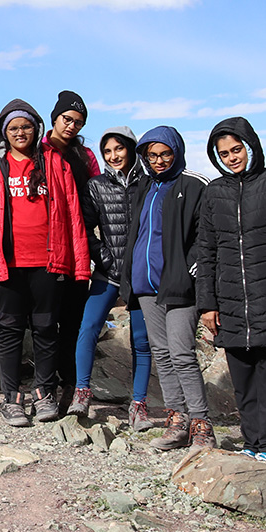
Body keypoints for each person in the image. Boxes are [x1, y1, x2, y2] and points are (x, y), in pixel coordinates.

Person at [0, 100, 90, 426]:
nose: (21, 132)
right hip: (6, 263)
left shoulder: (54, 163)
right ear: (4, 132)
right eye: (14, 128)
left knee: (47, 328)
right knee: (9, 329)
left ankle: (44, 393)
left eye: (26, 126)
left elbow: (73, 214)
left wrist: (79, 263)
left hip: (48, 261)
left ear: (36, 129)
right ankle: (11, 398)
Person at [196, 117, 266, 463]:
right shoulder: (214, 192)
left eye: (236, 149)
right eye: (224, 153)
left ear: (250, 146)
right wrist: (207, 304)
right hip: (230, 302)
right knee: (242, 379)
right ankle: (251, 442)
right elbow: (206, 251)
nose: (231, 157)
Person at [121, 126, 211, 451]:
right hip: (146, 285)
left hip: (179, 285)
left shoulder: (193, 184)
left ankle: (202, 425)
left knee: (182, 354)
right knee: (161, 354)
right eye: (152, 155)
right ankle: (177, 422)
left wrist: (193, 269)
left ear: (177, 152)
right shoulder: (145, 186)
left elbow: (206, 232)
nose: (158, 161)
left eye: (165, 154)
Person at [69, 127, 154, 428]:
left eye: (119, 149)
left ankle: (139, 404)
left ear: (131, 149)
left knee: (142, 341)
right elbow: (85, 229)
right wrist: (103, 257)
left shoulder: (149, 184)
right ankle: (82, 391)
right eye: (107, 151)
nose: (114, 155)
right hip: (108, 272)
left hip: (142, 277)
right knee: (89, 326)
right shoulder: (96, 186)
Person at [44, 90, 100, 413]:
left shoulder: (85, 157)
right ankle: (46, 386)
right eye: (67, 119)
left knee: (74, 320)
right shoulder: (39, 150)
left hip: (79, 244)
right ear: (55, 118)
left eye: (78, 122)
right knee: (46, 320)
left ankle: (73, 386)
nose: (72, 126)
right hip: (48, 245)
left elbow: (96, 198)